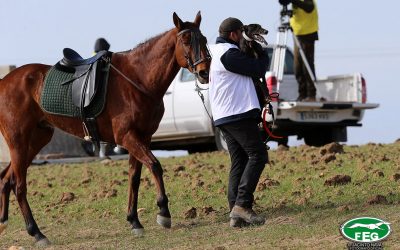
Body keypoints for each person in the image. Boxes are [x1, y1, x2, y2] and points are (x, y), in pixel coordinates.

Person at [209, 17, 269, 227]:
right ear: (233, 34)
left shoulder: (217, 51)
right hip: (237, 113)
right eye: (241, 33)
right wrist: (260, 49)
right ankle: (242, 205)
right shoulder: (228, 54)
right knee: (258, 155)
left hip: (225, 115)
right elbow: (259, 68)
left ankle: (235, 211)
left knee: (240, 160)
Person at [289, 0, 319, 102]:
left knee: (307, 66)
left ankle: (311, 94)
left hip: (307, 33)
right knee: (298, 67)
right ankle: (302, 94)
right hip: (298, 33)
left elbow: (309, 7)